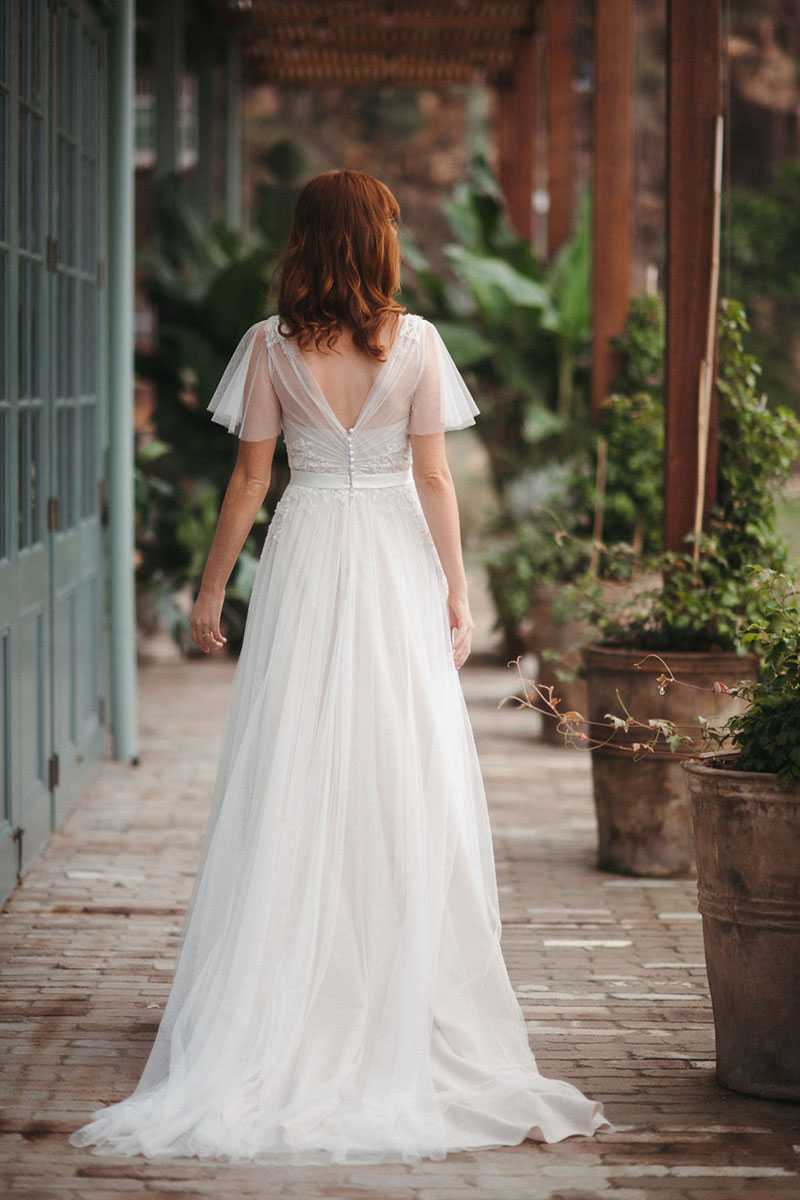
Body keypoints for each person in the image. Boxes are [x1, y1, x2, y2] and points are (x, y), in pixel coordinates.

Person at [68, 170, 611, 1165]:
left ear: (304, 242)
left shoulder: (269, 345)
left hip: (309, 553)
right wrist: (456, 590)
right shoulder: (416, 344)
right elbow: (434, 477)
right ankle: (394, 974)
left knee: (295, 757)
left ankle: (290, 986)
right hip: (393, 556)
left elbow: (248, 482)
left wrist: (209, 588)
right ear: (378, 241)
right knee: (400, 759)